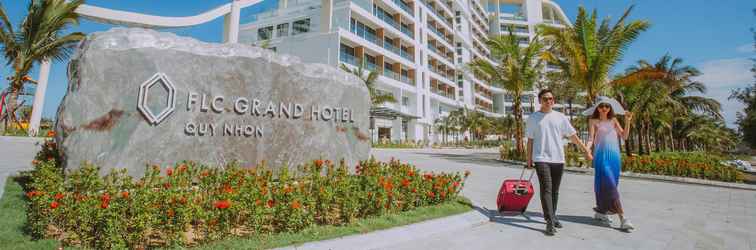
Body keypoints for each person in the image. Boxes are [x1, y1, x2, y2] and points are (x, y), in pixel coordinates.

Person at [526, 89, 593, 236]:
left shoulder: (560, 117)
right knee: (547, 189)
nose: (549, 101)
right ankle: (550, 222)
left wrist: (585, 150)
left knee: (555, 190)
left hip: (558, 158)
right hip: (541, 158)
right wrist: (528, 159)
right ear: (540, 101)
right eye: (545, 99)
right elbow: (530, 140)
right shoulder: (533, 118)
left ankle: (553, 215)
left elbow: (573, 136)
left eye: (551, 98)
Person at [584, 97, 635, 231]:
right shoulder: (593, 121)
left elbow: (624, 136)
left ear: (610, 108)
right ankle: (623, 218)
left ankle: (601, 212)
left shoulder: (613, 120)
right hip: (601, 157)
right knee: (611, 186)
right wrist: (587, 149)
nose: (604, 109)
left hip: (615, 158)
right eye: (601, 106)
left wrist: (628, 122)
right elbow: (591, 138)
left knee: (608, 185)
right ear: (597, 108)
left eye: (607, 106)